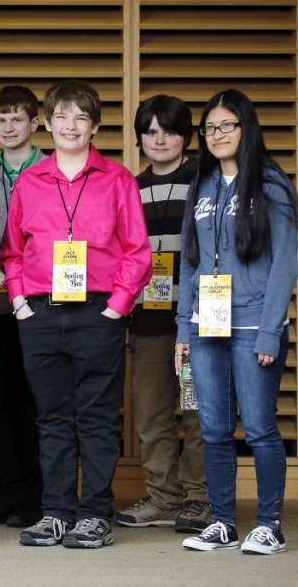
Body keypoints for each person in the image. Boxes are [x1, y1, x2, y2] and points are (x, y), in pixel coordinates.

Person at [0, 80, 152, 549]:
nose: (70, 126)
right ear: (46, 122)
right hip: (40, 313)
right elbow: (12, 251)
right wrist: (21, 303)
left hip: (97, 311)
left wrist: (114, 308)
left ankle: (94, 513)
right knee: (52, 418)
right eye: (61, 116)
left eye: (80, 118)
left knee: (98, 418)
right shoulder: (30, 180)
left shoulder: (118, 179)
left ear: (95, 127)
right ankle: (58, 511)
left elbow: (137, 251)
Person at [178, 89, 297, 555]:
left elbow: (285, 262)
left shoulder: (270, 184)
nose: (217, 134)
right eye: (209, 127)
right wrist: (184, 330)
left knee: (262, 428)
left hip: (254, 328)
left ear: (246, 129)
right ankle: (223, 522)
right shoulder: (202, 185)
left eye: (227, 125)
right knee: (213, 428)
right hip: (208, 324)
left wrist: (271, 329)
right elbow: (191, 261)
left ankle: (269, 524)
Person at [115, 95, 210, 533]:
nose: (160, 139)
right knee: (151, 413)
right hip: (150, 323)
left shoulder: (206, 181)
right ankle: (163, 497)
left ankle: (198, 498)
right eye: (150, 131)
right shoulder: (130, 187)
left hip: (198, 322)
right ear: (139, 138)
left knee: (196, 410)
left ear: (186, 136)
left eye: (169, 130)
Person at [0, 85, 45, 529]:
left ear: (35, 123)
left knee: (40, 401)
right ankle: (8, 495)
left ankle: (39, 497)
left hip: (42, 303)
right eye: (1, 120)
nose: (8, 128)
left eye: (17, 119)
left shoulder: (53, 170)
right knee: (1, 401)